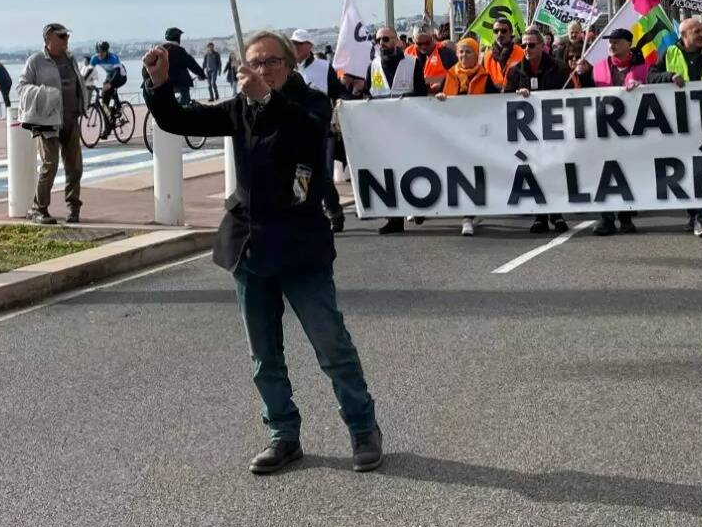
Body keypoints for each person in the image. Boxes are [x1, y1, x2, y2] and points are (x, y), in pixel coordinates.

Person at [140, 30, 382, 475]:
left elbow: (308, 135)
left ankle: (362, 426)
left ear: (289, 65)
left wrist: (269, 100)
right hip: (249, 247)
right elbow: (179, 120)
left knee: (331, 345)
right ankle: (282, 434)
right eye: (253, 62)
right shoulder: (239, 108)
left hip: (301, 247)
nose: (262, 69)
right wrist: (156, 86)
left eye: (271, 61)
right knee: (264, 354)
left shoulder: (309, 102)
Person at [653, 17, 702, 238]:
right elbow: (651, 75)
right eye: (696, 31)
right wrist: (669, 76)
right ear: (683, 36)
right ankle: (693, 214)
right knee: (686, 170)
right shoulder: (670, 53)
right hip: (680, 123)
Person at [373, 27, 448, 236]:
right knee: (389, 173)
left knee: (411, 169)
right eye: (378, 39)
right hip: (384, 129)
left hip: (408, 127)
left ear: (396, 41)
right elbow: (368, 95)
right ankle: (394, 218)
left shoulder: (411, 63)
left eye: (386, 39)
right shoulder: (374, 66)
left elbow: (421, 94)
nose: (381, 43)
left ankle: (418, 206)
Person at [580, 28, 650, 235]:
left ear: (629, 44)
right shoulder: (598, 67)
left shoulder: (643, 68)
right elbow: (586, 95)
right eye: (610, 41)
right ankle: (606, 218)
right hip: (604, 130)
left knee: (628, 173)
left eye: (617, 41)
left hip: (633, 131)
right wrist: (583, 76)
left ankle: (626, 217)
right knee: (604, 174)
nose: (611, 45)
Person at [18, 23, 90, 224]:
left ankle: (73, 208)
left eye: (67, 36)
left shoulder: (70, 59)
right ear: (49, 37)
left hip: (71, 119)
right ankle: (39, 209)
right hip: (47, 122)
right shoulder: (36, 61)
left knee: (75, 167)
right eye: (62, 36)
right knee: (50, 164)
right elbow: (21, 87)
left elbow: (78, 83)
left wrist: (83, 102)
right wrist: (45, 94)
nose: (66, 40)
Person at [507, 27, 573, 234]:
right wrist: (516, 95)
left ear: (542, 46)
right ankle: (540, 216)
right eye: (524, 45)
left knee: (554, 171)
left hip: (554, 130)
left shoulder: (559, 68)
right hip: (528, 134)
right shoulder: (515, 71)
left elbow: (572, 95)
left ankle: (558, 214)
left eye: (531, 45)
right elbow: (502, 99)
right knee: (535, 171)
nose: (527, 48)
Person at [438, 37, 499, 236]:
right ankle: (466, 214)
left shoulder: (485, 77)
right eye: (461, 52)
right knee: (458, 173)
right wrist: (440, 100)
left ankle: (468, 215)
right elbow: (440, 106)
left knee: (474, 174)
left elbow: (497, 103)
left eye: (468, 52)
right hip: (455, 135)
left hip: (478, 136)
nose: (464, 56)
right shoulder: (450, 76)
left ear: (476, 54)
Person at [292, 30, 339, 95]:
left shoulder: (325, 67)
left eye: (299, 43)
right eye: (293, 43)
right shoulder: (284, 68)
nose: (295, 46)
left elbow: (338, 92)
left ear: (310, 45)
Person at [162, 28, 201, 105]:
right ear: (178, 38)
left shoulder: (161, 49)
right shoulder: (180, 50)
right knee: (185, 100)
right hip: (180, 83)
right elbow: (191, 64)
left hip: (164, 84)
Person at [87, 41, 127, 106]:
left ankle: (118, 106)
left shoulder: (113, 58)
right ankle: (107, 111)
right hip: (110, 75)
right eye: (99, 52)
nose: (101, 54)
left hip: (121, 76)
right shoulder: (94, 58)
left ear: (107, 51)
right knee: (104, 94)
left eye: (103, 52)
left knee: (108, 89)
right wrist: (84, 81)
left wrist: (110, 84)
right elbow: (89, 71)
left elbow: (117, 72)